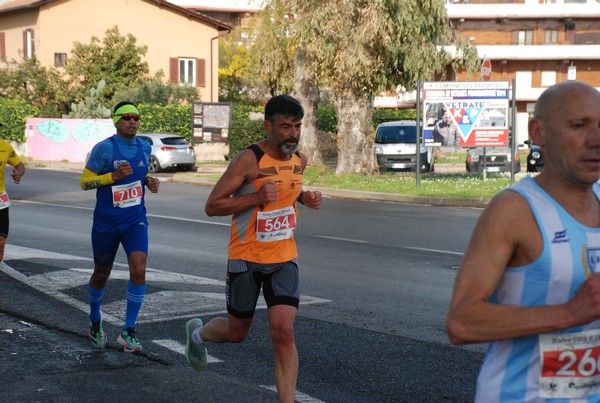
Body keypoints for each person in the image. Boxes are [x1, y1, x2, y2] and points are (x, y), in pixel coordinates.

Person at [446, 80, 600, 402]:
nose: (596, 139)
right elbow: (462, 322)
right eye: (578, 126)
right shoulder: (514, 210)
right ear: (539, 132)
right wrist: (570, 313)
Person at [185, 94, 322, 403]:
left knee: (283, 332)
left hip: (284, 257)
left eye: (297, 126)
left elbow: (288, 191)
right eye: (286, 127)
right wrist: (255, 199)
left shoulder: (300, 159)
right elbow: (213, 205)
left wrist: (305, 198)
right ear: (268, 125)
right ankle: (198, 334)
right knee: (237, 332)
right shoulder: (249, 160)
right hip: (245, 258)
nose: (293, 134)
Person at [80, 101, 160, 352]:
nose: (133, 121)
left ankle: (128, 331)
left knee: (139, 269)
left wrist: (149, 181)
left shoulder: (144, 147)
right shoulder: (104, 149)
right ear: (116, 121)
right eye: (127, 117)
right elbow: (84, 182)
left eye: (136, 117)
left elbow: (139, 174)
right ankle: (95, 320)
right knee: (101, 274)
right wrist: (111, 177)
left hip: (135, 220)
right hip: (106, 223)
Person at [0, 121, 25, 262]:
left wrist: (19, 173)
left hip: (0, 198)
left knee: (1, 241)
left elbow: (20, 165)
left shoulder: (5, 147)